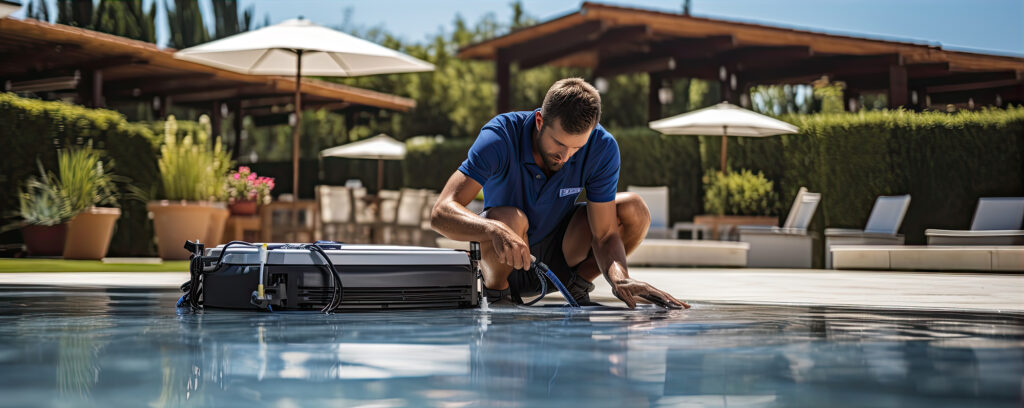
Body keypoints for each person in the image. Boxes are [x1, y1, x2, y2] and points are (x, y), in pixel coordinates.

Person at [430, 78, 688, 309]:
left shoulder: (602, 147)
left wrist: (621, 279)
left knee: (633, 208)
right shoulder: (499, 136)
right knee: (509, 219)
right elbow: (441, 211)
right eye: (560, 144)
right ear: (540, 121)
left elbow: (605, 234)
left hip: (561, 259)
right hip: (503, 257)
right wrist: (494, 231)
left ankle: (578, 284)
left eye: (577, 148)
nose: (565, 157)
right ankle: (498, 293)